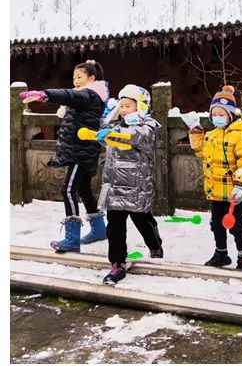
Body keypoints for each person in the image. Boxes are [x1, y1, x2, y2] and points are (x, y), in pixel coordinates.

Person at [20, 59, 110, 252]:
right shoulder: (90, 95)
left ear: (91, 78)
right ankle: (99, 229)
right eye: (74, 77)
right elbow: (71, 98)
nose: (75, 81)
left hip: (81, 152)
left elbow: (69, 95)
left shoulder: (89, 94)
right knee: (84, 188)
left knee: (68, 190)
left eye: (79, 77)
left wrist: (45, 95)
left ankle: (72, 238)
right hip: (82, 150)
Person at [95, 85, 164, 285]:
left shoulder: (148, 125)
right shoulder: (118, 125)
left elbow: (140, 137)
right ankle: (117, 263)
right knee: (114, 227)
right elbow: (103, 139)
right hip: (114, 185)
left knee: (142, 220)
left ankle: (155, 246)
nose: (123, 110)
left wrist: (118, 133)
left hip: (136, 186)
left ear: (141, 107)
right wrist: (107, 121)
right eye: (121, 106)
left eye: (128, 106)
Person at [189, 85, 242, 270]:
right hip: (216, 191)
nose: (218, 117)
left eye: (221, 114)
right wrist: (195, 131)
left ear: (231, 115)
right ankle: (221, 253)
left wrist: (241, 186)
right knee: (217, 225)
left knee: (235, 225)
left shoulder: (240, 136)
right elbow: (201, 152)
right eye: (215, 114)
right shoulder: (211, 135)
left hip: (234, 192)